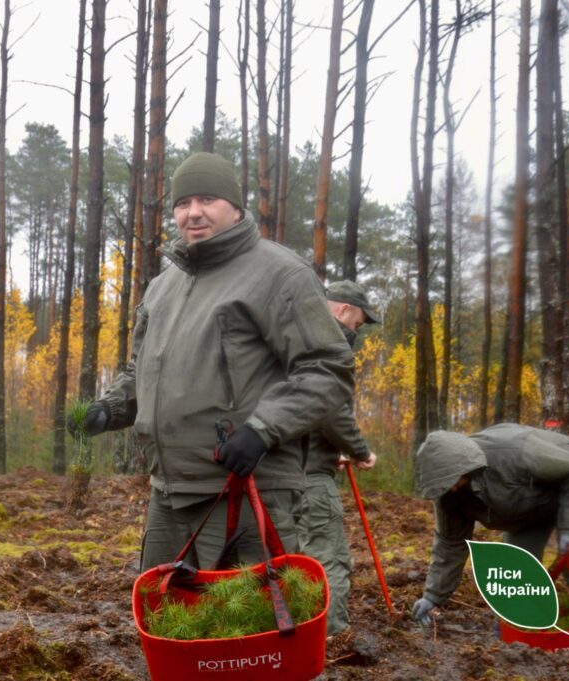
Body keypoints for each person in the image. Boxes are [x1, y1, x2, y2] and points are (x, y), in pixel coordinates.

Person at [71, 151, 355, 571]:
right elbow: (144, 370)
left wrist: (262, 431)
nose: (194, 213)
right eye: (183, 204)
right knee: (170, 620)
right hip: (167, 493)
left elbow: (327, 369)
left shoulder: (278, 274)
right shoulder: (163, 287)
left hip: (245, 489)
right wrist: (108, 408)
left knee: (246, 627)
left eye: (207, 199)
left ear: (235, 207)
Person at [410, 424, 569, 626]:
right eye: (442, 485)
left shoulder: (515, 453)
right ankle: (522, 632)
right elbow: (450, 544)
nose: (451, 488)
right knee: (515, 579)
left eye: (450, 481)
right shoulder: (448, 495)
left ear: (462, 465)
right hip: (527, 507)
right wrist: (432, 596)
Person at [297, 280, 379, 636]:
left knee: (287, 557)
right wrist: (361, 451)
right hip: (310, 476)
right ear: (343, 310)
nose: (356, 333)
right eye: (358, 325)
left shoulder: (288, 336)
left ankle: (286, 632)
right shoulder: (328, 347)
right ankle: (328, 638)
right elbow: (330, 410)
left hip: (272, 472)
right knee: (328, 558)